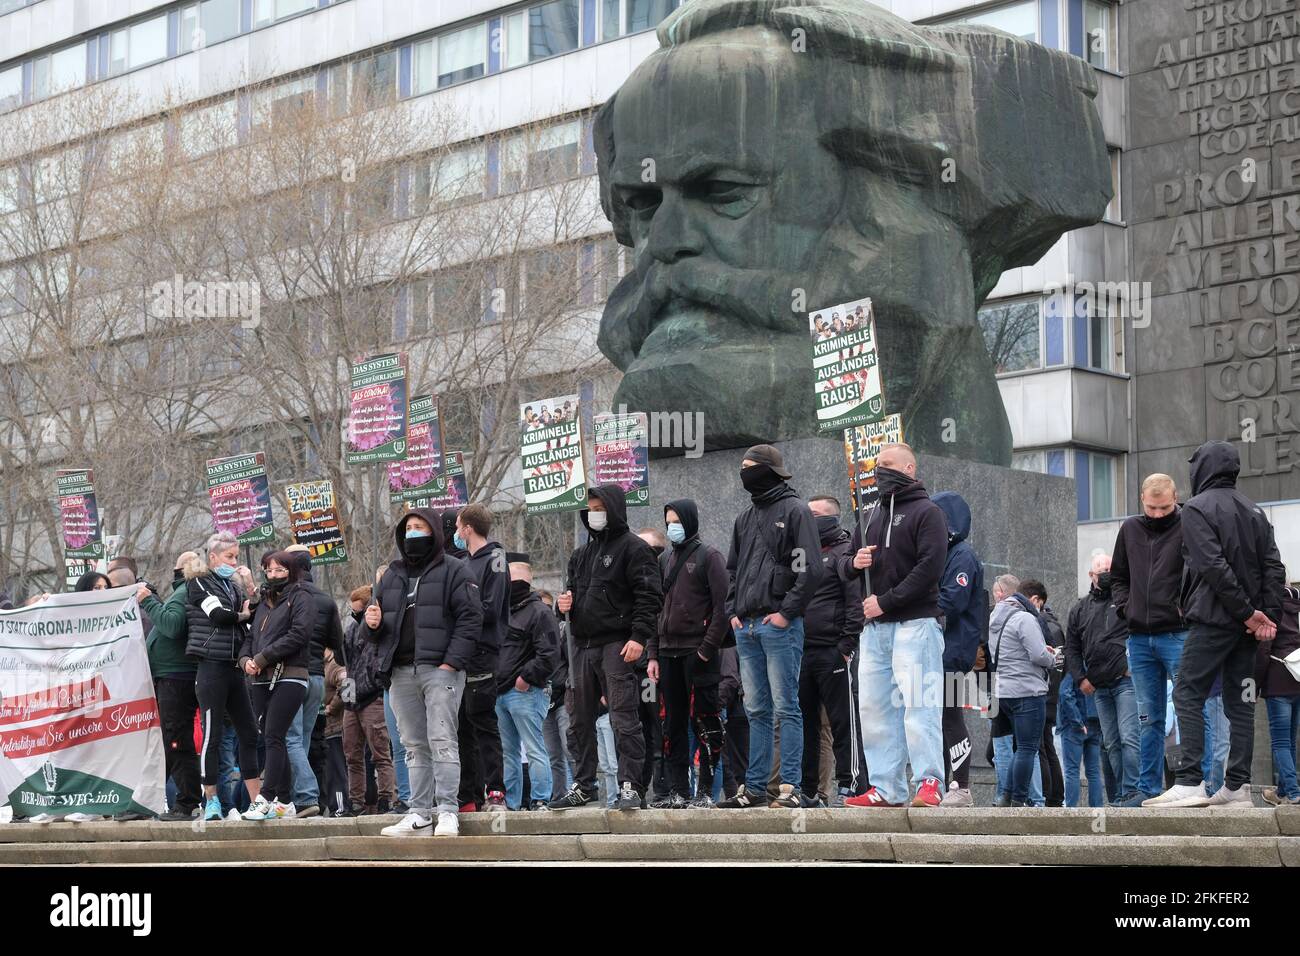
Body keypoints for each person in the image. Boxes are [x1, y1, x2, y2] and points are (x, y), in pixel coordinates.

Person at [1147, 441, 1286, 808]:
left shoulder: (1195, 508)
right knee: (1240, 701)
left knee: (1187, 691)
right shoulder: (1255, 511)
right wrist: (1264, 616)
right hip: (1246, 627)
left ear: (1202, 469)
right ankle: (1237, 787)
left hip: (1214, 619)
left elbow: (1211, 566)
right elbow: (1275, 567)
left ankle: (1190, 780)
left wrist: (1245, 612)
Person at [717, 444, 822, 809]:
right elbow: (732, 570)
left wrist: (786, 613)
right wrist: (733, 610)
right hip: (746, 627)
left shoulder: (795, 510)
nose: (743, 472)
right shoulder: (744, 518)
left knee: (786, 706)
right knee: (756, 710)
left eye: (749, 467)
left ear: (766, 470)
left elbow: (812, 569)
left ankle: (790, 787)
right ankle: (755, 788)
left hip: (778, 625)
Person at [843, 443, 947, 809]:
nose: (879, 471)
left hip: (915, 623)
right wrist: (854, 563)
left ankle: (930, 781)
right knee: (874, 708)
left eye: (887, 464)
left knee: (920, 705)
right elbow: (843, 564)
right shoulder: (869, 515)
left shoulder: (928, 512)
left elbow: (931, 566)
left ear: (909, 468)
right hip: (875, 630)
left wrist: (885, 601)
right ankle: (886, 787)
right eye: (876, 465)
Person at [367, 508, 483, 837]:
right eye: (408, 528)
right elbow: (378, 626)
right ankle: (419, 812)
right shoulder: (391, 575)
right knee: (413, 745)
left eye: (419, 527)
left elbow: (471, 619)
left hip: (439, 671)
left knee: (443, 740)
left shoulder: (456, 570)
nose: (413, 533)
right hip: (401, 672)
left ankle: (447, 810)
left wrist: (451, 663)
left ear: (433, 531)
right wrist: (371, 625)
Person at [551, 485, 663, 811]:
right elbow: (569, 599)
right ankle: (584, 784)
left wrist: (639, 637)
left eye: (599, 507)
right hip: (581, 646)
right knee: (579, 720)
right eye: (590, 508)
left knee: (624, 717)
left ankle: (631, 786)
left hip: (616, 643)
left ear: (613, 509)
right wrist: (562, 605)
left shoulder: (634, 549)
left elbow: (649, 596)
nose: (593, 514)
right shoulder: (580, 555)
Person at [648, 498, 729, 809]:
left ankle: (706, 791)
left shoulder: (710, 557)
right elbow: (655, 610)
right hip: (668, 654)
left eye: (677, 521)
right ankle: (679, 791)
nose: (672, 527)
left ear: (691, 522)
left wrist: (706, 651)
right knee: (672, 726)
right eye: (668, 522)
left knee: (706, 722)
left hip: (698, 654)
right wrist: (653, 654)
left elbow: (722, 609)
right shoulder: (664, 559)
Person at [1110, 474, 1186, 805]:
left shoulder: (1188, 525)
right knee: (1149, 719)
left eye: (1165, 507)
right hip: (1139, 636)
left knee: (1189, 711)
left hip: (1178, 632)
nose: (1157, 514)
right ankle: (1148, 789)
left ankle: (1196, 784)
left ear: (1176, 498)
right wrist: (1127, 608)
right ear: (1141, 498)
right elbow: (1118, 576)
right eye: (1152, 507)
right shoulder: (1129, 529)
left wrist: (1184, 609)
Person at [185, 532, 261, 822]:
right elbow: (219, 616)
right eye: (229, 557)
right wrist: (242, 615)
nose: (234, 562)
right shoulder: (198, 582)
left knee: (249, 733)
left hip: (233, 668)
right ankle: (212, 800)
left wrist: (250, 591)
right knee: (212, 736)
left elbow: (252, 613)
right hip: (210, 667)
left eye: (237, 557)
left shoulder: (233, 585)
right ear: (213, 557)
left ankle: (257, 801)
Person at [238, 551, 318, 820]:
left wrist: (264, 657)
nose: (273, 575)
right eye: (269, 570)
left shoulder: (301, 596)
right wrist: (246, 660)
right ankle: (284, 801)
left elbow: (299, 633)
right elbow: (251, 637)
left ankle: (266, 796)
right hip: (259, 677)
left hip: (291, 675)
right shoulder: (264, 602)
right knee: (274, 738)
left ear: (291, 571)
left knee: (274, 733)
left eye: (279, 570)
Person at [797, 495, 865, 807]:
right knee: (807, 724)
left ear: (831, 518)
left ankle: (848, 785)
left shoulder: (844, 552)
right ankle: (809, 789)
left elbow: (854, 602)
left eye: (815, 514)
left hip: (833, 651)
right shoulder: (801, 551)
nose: (808, 518)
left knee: (842, 722)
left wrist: (846, 646)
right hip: (802, 651)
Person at [1065, 553, 1142, 807]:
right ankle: (1121, 793)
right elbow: (1072, 649)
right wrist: (1080, 679)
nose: (1106, 572)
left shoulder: (1126, 599)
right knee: (1111, 743)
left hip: (1125, 682)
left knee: (1130, 737)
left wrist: (1132, 666)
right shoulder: (1079, 609)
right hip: (1098, 687)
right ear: (1091, 575)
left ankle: (1132, 791)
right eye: (1101, 569)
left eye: (1110, 567)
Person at [279, 544, 343, 818]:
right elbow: (336, 642)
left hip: (292, 676)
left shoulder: (285, 597)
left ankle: (306, 796)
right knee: (302, 740)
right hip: (316, 677)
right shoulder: (326, 600)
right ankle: (302, 798)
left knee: (290, 739)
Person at [453, 503, 509, 811]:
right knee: (462, 727)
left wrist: (462, 612)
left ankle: (496, 791)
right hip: (462, 654)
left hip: (484, 654)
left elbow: (491, 606)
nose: (456, 533)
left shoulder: (496, 558)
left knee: (484, 722)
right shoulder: (462, 562)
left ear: (468, 528)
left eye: (458, 526)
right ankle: (468, 796)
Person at [138, 551, 202, 822]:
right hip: (173, 677)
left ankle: (186, 803)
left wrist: (149, 602)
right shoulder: (185, 592)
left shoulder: (185, 590)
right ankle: (147, 800)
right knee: (171, 742)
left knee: (177, 741)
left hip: (176, 678)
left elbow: (173, 626)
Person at [932, 491, 984, 808]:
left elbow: (952, 600)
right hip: (942, 650)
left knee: (950, 717)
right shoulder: (948, 553)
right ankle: (944, 782)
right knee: (938, 718)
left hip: (953, 651)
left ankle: (961, 785)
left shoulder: (962, 556)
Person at [495, 554, 559, 810]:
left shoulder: (540, 613)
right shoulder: (503, 613)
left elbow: (550, 654)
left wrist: (525, 678)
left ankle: (540, 798)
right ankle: (511, 802)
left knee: (533, 749)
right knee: (508, 753)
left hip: (525, 691)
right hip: (501, 691)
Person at [988, 575, 1057, 806]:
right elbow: (1038, 655)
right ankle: (1019, 800)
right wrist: (1052, 657)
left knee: (1017, 748)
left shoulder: (995, 618)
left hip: (1004, 692)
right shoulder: (1024, 618)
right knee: (1027, 748)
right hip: (1027, 691)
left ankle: (1006, 795)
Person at [340, 585, 397, 816]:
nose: (355, 616)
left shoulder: (380, 629)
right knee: (351, 754)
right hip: (351, 696)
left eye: (357, 612)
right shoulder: (352, 629)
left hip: (372, 696)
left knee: (380, 753)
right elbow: (343, 656)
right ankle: (355, 801)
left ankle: (386, 798)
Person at [1021, 580, 1065, 807]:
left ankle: (1050, 796)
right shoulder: (1052, 625)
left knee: (1041, 748)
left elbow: (1054, 663)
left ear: (1036, 600)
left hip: (1044, 693)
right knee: (1046, 745)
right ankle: (1054, 796)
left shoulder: (1044, 625)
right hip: (1050, 693)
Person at [1257, 586, 1300, 805]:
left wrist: (1256, 682)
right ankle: (1282, 792)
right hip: (1298, 677)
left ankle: (1293, 792)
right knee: (1290, 740)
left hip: (1278, 680)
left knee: (1281, 742)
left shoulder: (1269, 605)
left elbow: (1264, 650)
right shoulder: (1297, 604)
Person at [1057, 669, 1104, 807]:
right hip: (1095, 724)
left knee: (1072, 770)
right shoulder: (1096, 665)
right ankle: (1097, 811)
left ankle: (1071, 812)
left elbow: (1064, 693)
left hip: (1074, 727)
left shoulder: (1074, 668)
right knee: (1094, 772)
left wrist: (1076, 720)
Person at [322, 648, 350, 816]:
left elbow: (348, 688)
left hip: (337, 728)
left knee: (337, 771)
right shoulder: (324, 666)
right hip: (328, 729)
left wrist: (331, 708)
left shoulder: (335, 666)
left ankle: (340, 808)